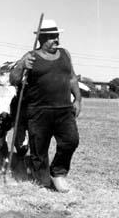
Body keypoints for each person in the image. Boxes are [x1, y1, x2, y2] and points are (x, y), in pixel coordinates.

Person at [10, 19, 81, 192]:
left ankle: (58, 173)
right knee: (39, 150)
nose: (56, 40)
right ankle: (41, 179)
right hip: (38, 111)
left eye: (57, 36)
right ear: (41, 38)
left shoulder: (65, 54)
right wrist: (21, 66)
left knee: (71, 141)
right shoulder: (31, 57)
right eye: (51, 37)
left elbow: (72, 78)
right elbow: (13, 80)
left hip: (64, 110)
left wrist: (78, 99)